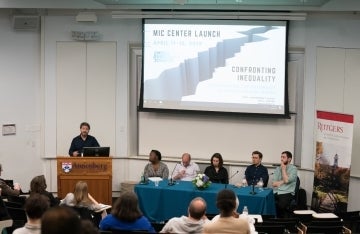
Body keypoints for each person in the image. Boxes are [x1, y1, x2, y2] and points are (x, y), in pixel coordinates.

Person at [272, 151, 298, 218]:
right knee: (267, 201)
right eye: (281, 157)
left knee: (281, 206)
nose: (281, 159)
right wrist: (283, 181)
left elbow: (286, 180)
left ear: (289, 159)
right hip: (276, 191)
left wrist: (283, 169)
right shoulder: (278, 168)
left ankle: (280, 223)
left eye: (283, 157)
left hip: (287, 192)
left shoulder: (293, 169)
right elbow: (274, 184)